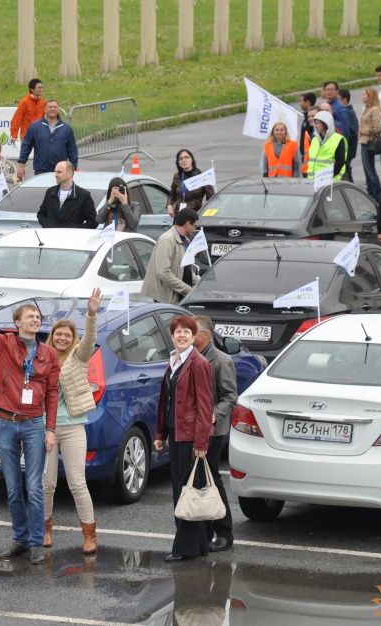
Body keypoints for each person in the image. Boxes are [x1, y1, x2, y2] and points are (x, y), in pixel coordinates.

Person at [0, 268, 60, 565]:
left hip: (34, 424)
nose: (36, 320)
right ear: (17, 322)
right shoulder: (4, 344)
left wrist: (50, 429)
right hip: (6, 421)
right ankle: (20, 539)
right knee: (12, 487)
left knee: (33, 487)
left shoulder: (49, 354)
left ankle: (36, 542)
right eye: (30, 316)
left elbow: (51, 393)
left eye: (38, 317)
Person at [43, 287, 102, 555]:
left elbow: (89, 339)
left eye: (68, 335)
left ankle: (89, 535)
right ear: (52, 336)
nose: (63, 338)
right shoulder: (41, 358)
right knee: (46, 482)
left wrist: (91, 314)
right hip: (45, 430)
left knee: (77, 482)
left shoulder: (79, 356)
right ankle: (44, 529)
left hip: (72, 427)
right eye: (59, 334)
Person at [154, 315, 214, 562]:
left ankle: (185, 548)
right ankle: (199, 544)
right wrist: (161, 433)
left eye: (186, 332)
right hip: (176, 433)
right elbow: (165, 402)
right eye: (177, 331)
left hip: (190, 437)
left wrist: (201, 444)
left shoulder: (198, 363)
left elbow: (204, 407)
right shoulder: (174, 360)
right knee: (182, 487)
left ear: (193, 336)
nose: (181, 335)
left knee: (186, 490)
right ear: (172, 335)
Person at [192, 315, 237, 553]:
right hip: (191, 429)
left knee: (212, 481)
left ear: (206, 336)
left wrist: (213, 414)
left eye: (193, 331)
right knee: (197, 481)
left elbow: (230, 397)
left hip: (212, 431)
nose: (187, 334)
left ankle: (224, 532)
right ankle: (204, 531)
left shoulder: (221, 360)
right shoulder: (186, 356)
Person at [141, 208, 199, 304]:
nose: (195, 229)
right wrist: (187, 289)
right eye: (194, 226)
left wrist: (199, 284)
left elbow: (185, 268)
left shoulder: (184, 240)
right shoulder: (167, 240)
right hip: (165, 299)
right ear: (187, 224)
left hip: (177, 296)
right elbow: (162, 272)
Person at [17, 100, 78, 179]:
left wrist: (73, 169)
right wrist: (21, 165)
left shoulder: (66, 129)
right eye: (50, 107)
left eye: (55, 107)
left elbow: (72, 151)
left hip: (61, 171)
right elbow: (26, 146)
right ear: (45, 110)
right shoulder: (35, 127)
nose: (52, 109)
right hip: (41, 170)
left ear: (58, 109)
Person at [36, 161, 96, 229]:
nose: (55, 175)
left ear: (69, 173)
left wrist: (77, 230)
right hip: (51, 236)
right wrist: (48, 225)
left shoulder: (83, 195)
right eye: (55, 171)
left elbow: (93, 221)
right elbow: (41, 214)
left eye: (59, 172)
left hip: (72, 238)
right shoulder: (50, 192)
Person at [167, 149, 214, 216]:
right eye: (181, 159)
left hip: (194, 215)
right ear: (178, 163)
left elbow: (211, 199)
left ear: (192, 160)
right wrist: (169, 205)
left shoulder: (202, 177)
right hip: (179, 216)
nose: (184, 160)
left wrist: (208, 215)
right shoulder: (177, 176)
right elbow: (172, 194)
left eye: (186, 157)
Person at [306, 110, 348, 181]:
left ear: (325, 124)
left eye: (318, 123)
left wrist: (328, 176)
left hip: (331, 180)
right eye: (315, 123)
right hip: (313, 180)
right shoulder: (315, 139)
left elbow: (340, 162)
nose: (315, 126)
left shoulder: (338, 139)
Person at [358, 87, 381, 202]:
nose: (362, 96)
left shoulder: (374, 109)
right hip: (363, 141)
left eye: (364, 94)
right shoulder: (366, 108)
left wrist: (364, 131)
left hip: (368, 141)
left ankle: (377, 196)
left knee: (370, 170)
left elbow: (377, 128)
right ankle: (371, 194)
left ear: (370, 96)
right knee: (367, 170)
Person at [10, 78, 45, 147]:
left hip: (40, 136)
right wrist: (14, 135)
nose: (41, 89)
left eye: (42, 87)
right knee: (24, 157)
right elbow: (17, 119)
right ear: (32, 90)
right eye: (39, 88)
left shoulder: (42, 101)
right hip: (27, 136)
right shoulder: (24, 102)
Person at [339, 89, 360, 183]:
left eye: (338, 99)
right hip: (347, 150)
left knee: (347, 172)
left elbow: (353, 134)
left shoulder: (349, 112)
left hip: (348, 150)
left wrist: (348, 153)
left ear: (345, 100)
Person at [299, 92, 317, 167]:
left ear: (307, 102)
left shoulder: (311, 120)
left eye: (301, 101)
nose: (300, 104)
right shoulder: (306, 117)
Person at [301, 106, 319, 177]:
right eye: (309, 116)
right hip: (308, 170)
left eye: (313, 116)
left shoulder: (324, 133)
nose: (310, 118)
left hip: (319, 171)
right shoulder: (307, 132)